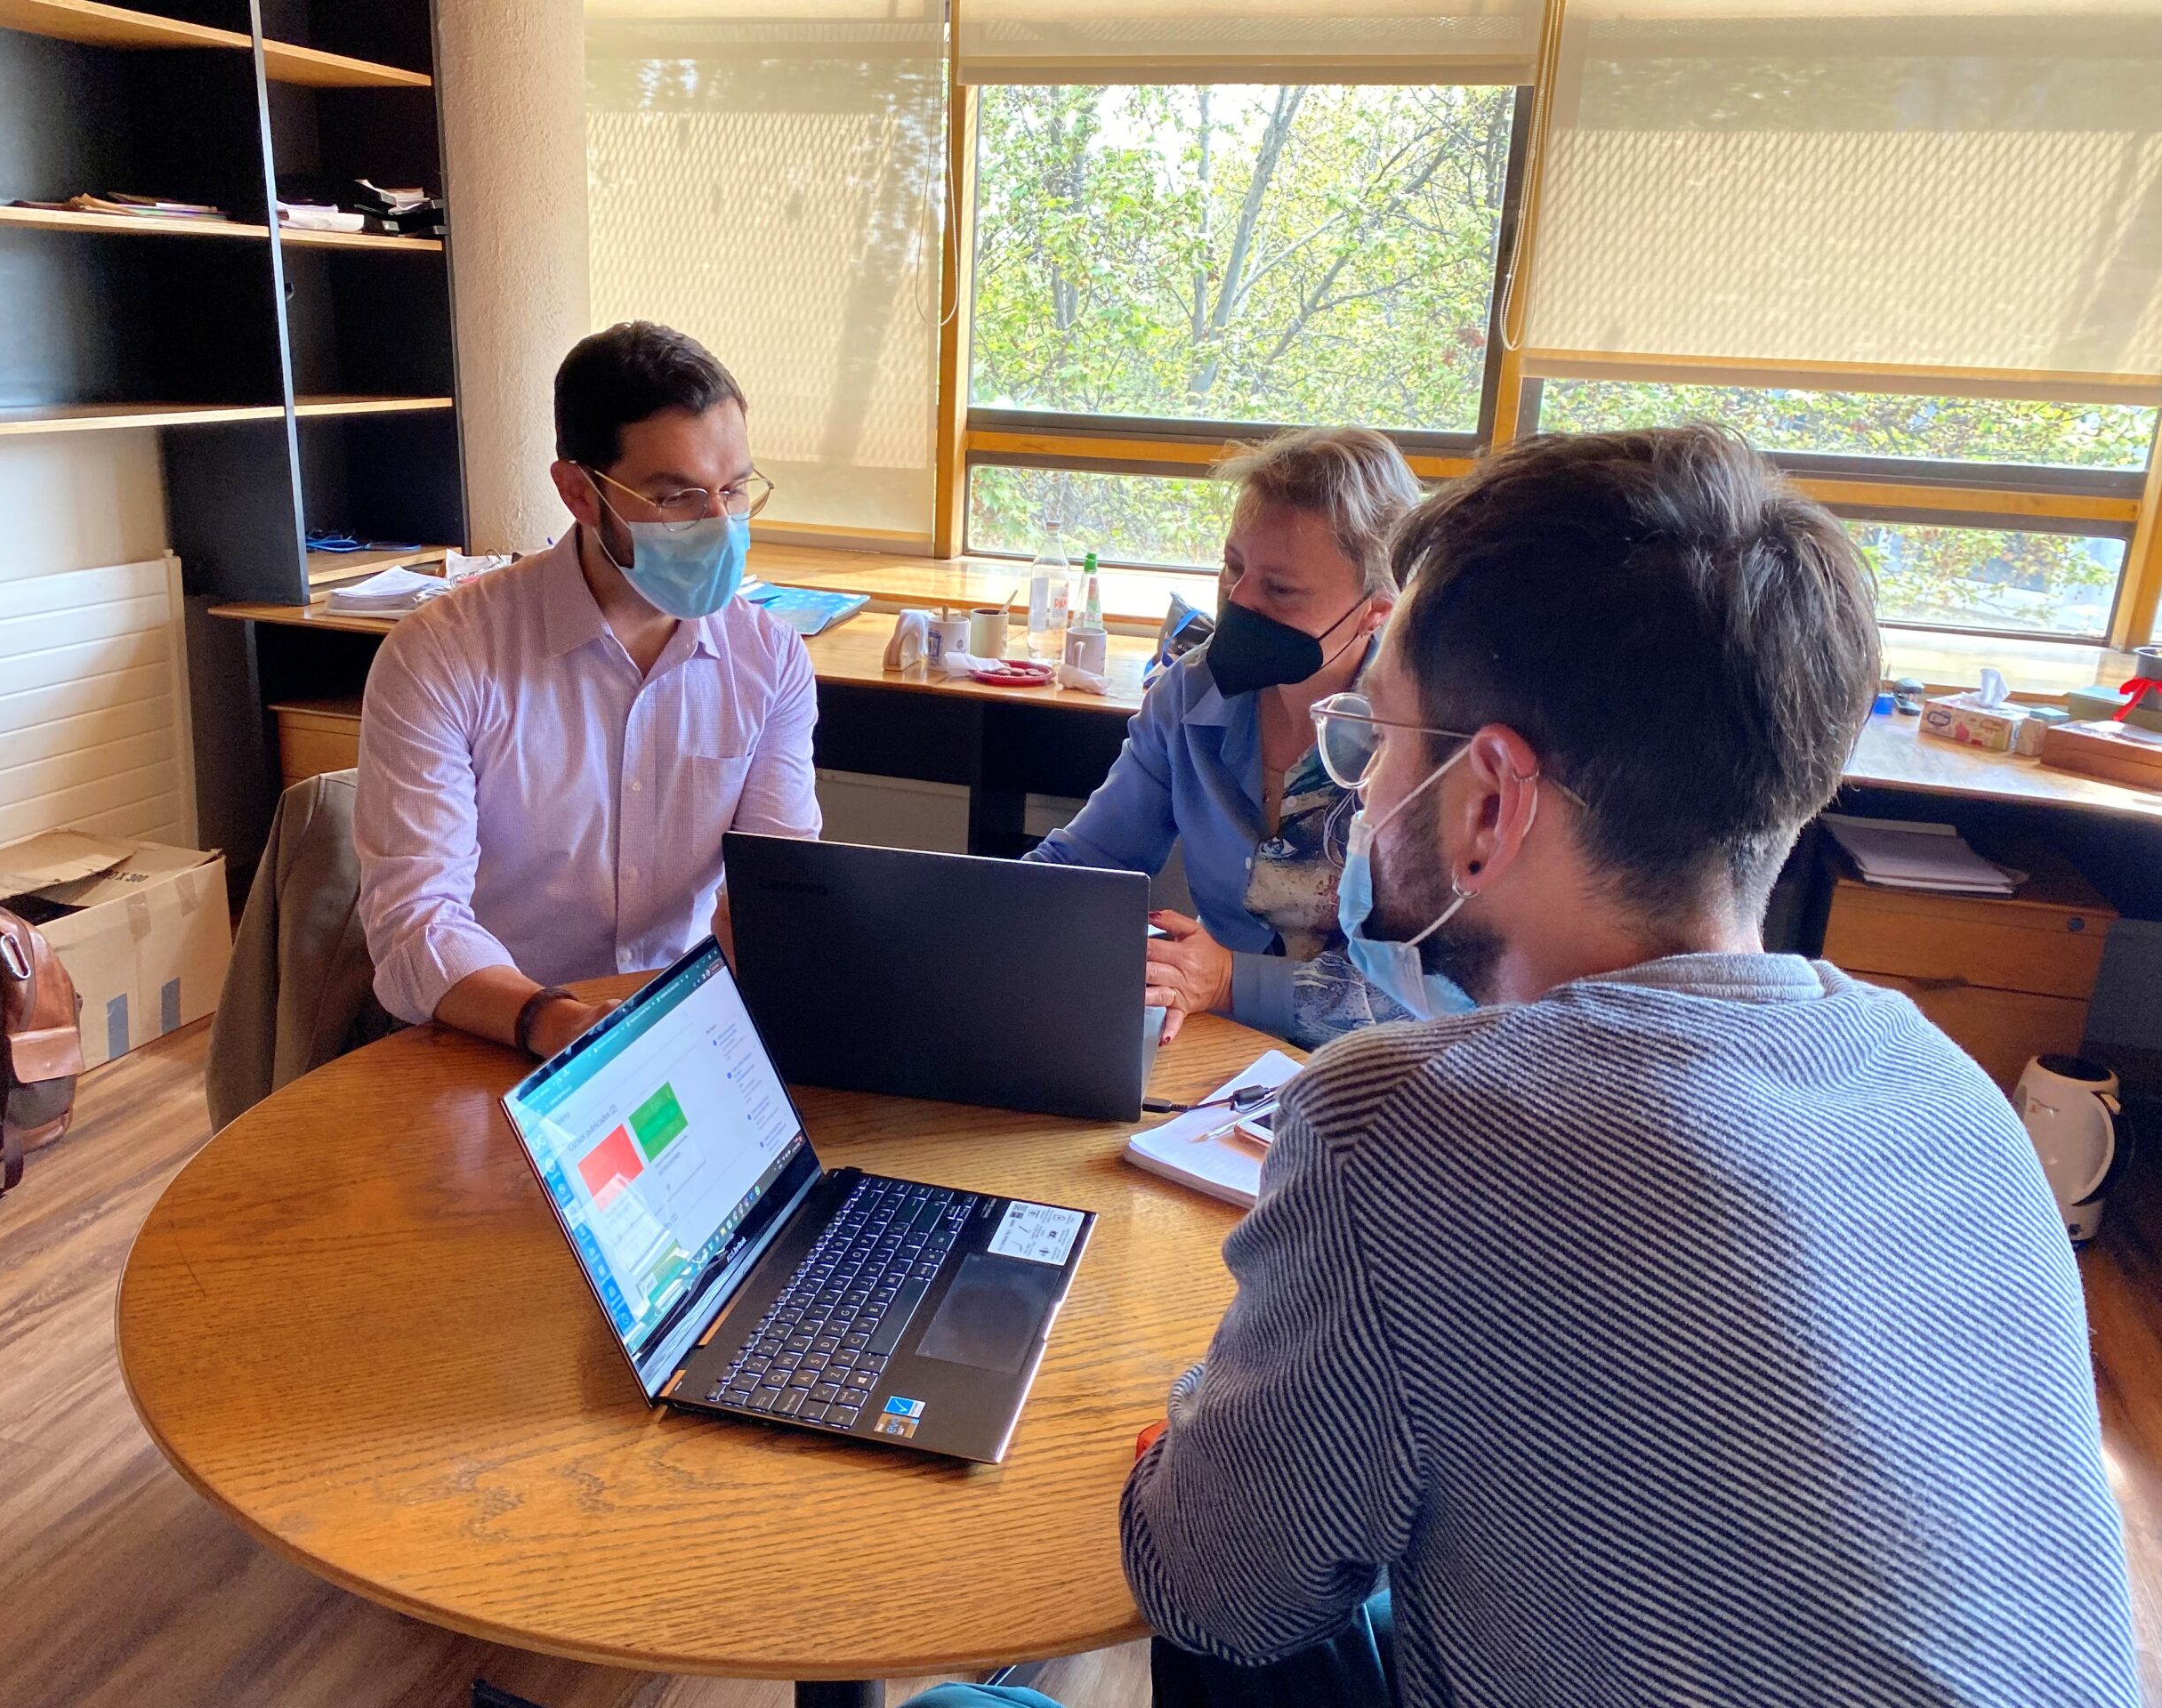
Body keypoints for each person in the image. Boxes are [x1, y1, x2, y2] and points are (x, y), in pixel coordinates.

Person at [912, 425, 2141, 1708]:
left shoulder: (1401, 1126)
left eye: (1379, 737)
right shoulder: (1951, 1093)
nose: (1363, 778)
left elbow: (1215, 1594)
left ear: (1491, 800)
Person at [356, 322, 820, 1062]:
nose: (719, 525)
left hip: (683, 1027)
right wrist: (557, 1022)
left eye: (733, 490)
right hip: (494, 1030)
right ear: (579, 492)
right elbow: (416, 921)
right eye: (676, 498)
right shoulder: (444, 655)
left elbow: (783, 888)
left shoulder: (768, 659)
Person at [1025, 428, 1439, 1049]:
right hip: (1213, 1049)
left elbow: (1428, 989)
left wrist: (1227, 980)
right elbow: (1089, 867)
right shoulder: (1191, 695)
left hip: (1377, 1070)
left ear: (1377, 609)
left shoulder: (1427, 737)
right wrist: (981, 917)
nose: (1237, 601)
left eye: (1279, 589)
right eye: (1233, 566)